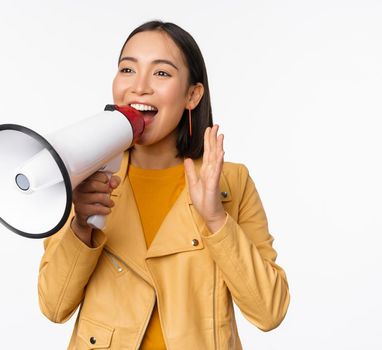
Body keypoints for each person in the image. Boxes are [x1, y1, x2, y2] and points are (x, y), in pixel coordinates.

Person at [37, 20, 290, 349]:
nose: (139, 87)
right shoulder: (85, 176)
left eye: (161, 73)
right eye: (127, 69)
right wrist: (81, 225)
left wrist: (216, 219)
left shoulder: (232, 183)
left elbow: (269, 312)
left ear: (192, 95)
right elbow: (54, 307)